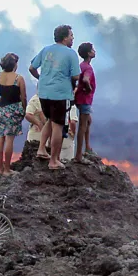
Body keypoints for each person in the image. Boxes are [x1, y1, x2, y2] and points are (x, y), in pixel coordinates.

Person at [29, 25, 82, 170]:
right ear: (65, 37)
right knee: (58, 125)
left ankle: (41, 149)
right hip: (60, 94)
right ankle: (53, 160)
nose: (73, 38)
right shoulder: (70, 53)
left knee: (50, 120)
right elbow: (76, 75)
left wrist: (41, 79)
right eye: (71, 35)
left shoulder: (46, 50)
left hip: (44, 93)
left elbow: (31, 68)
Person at [0, 53, 27, 176]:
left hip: (2, 109)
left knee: (1, 137)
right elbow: (23, 97)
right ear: (15, 65)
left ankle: (0, 168)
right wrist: (24, 109)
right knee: (10, 139)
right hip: (14, 110)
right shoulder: (19, 78)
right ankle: (7, 170)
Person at [74, 42, 97, 163]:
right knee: (83, 126)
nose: (94, 51)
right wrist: (88, 88)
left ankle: (87, 147)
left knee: (88, 121)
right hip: (85, 99)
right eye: (92, 50)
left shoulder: (81, 65)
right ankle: (79, 155)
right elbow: (85, 79)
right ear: (89, 53)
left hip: (80, 98)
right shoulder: (88, 67)